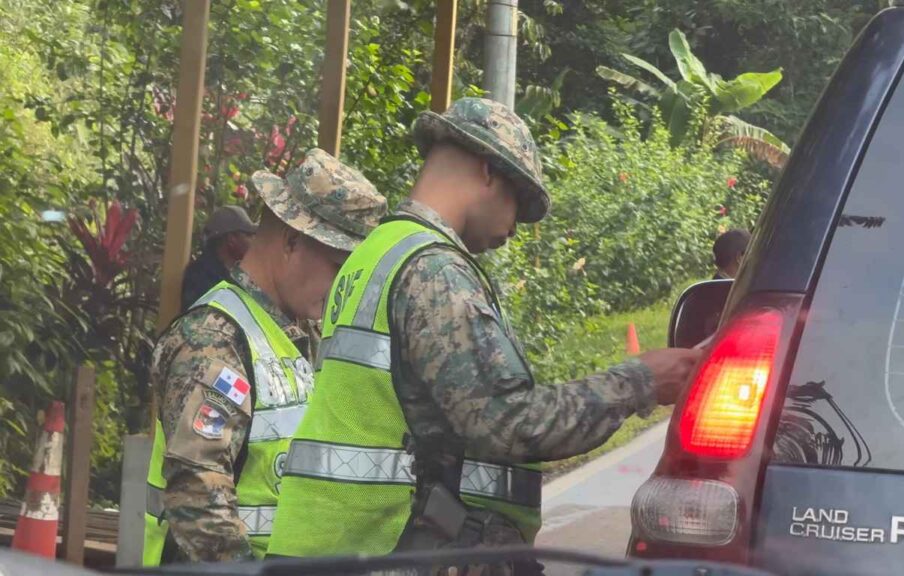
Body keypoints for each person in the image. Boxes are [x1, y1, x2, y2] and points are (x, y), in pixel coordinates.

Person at [268, 99, 701, 563]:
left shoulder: (376, 254)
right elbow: (510, 423)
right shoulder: (434, 271)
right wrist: (639, 381)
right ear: (488, 170)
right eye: (518, 202)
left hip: (330, 551)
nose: (514, 228)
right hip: (384, 554)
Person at [142, 149, 387, 565]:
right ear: (292, 242)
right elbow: (199, 499)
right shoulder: (213, 340)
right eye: (338, 267)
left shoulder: (297, 333)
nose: (343, 287)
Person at [181, 206, 257, 311]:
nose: (253, 240)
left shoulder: (240, 274)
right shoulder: (200, 276)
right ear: (231, 239)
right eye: (249, 235)